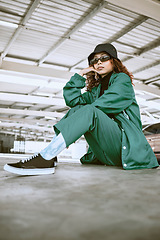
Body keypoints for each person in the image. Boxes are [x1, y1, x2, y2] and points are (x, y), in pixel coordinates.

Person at [4, 43, 159, 175]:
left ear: (114, 61)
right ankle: (51, 154)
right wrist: (81, 74)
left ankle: (46, 158)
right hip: (106, 152)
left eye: (104, 58)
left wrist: (85, 114)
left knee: (88, 111)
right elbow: (72, 100)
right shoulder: (95, 90)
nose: (99, 62)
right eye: (94, 60)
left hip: (126, 148)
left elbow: (108, 103)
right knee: (79, 108)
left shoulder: (122, 80)